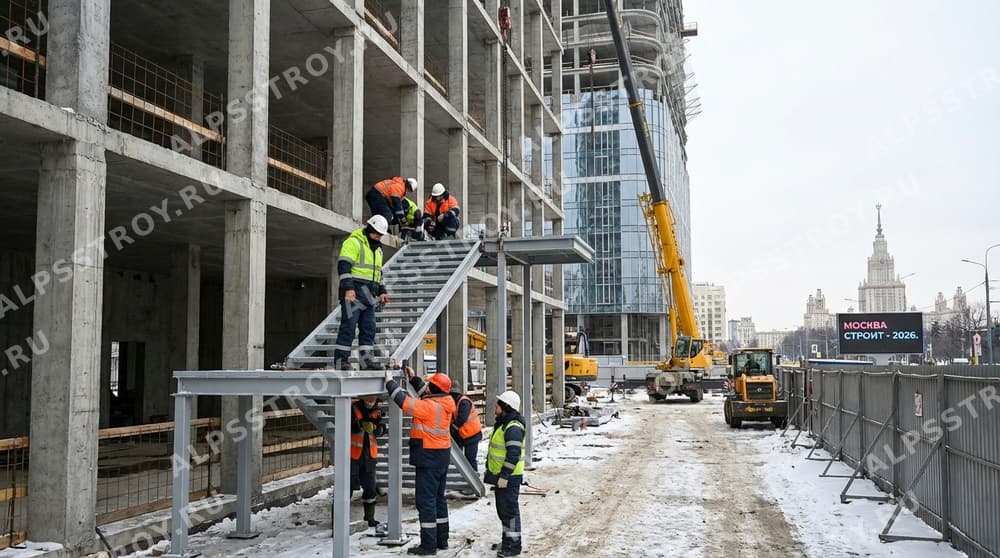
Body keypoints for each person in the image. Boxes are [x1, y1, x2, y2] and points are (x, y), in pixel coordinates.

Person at [384, 367, 457, 555]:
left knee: (426, 503)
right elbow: (426, 392)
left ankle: (428, 545)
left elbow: (403, 401)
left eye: (429, 385)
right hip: (440, 456)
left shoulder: (428, 407)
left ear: (434, 388)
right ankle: (442, 540)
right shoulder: (445, 402)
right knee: (438, 499)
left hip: (428, 458)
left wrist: (389, 382)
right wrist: (413, 378)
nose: (427, 387)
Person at [333, 216, 390, 370]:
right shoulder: (353, 242)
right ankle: (341, 362)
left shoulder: (378, 250)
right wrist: (348, 288)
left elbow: (378, 273)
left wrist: (382, 291)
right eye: (376, 233)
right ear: (369, 229)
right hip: (354, 294)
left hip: (369, 295)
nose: (378, 237)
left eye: (380, 235)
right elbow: (343, 266)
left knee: (368, 329)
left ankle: (366, 363)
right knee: (348, 328)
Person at [484, 390, 525, 558]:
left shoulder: (513, 427)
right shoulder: (504, 423)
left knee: (509, 512)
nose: (495, 406)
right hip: (503, 477)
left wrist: (504, 475)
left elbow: (513, 454)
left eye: (498, 404)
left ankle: (513, 546)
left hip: (508, 478)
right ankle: (508, 541)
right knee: (504, 512)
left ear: (506, 407)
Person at [351, 396, 386, 529]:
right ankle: (338, 521)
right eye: (369, 398)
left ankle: (370, 518)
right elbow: (349, 426)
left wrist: (377, 429)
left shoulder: (377, 411)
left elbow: (382, 429)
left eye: (373, 398)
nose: (371, 400)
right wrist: (360, 424)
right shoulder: (353, 408)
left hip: (369, 456)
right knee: (346, 489)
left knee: (370, 488)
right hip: (352, 455)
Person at [450, 387, 483, 471]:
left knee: (470, 459)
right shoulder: (456, 402)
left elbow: (461, 418)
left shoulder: (464, 402)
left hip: (472, 435)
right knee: (460, 459)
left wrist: (452, 428)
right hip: (463, 435)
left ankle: (474, 475)